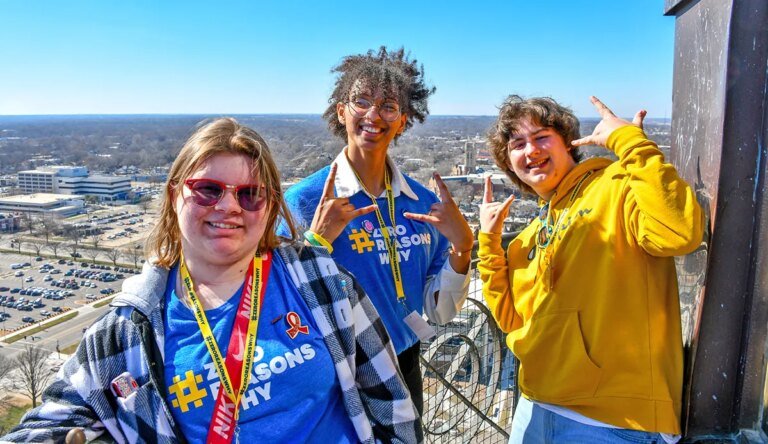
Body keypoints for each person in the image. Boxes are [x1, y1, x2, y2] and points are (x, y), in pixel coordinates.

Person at [2, 118, 421, 444]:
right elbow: (51, 422)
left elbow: (392, 404)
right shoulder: (128, 331)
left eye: (249, 194)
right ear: (174, 195)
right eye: (207, 190)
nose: (228, 206)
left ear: (270, 204)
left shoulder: (323, 281)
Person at [478, 95, 704, 443]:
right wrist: (489, 242)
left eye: (541, 137)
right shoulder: (528, 237)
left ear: (569, 143)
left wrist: (629, 142)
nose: (530, 150)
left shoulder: (616, 186)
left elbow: (679, 233)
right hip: (535, 404)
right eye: (518, 144)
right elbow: (511, 321)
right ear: (509, 163)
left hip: (614, 419)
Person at [280, 47, 474, 414]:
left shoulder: (422, 203)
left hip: (405, 363)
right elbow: (277, 300)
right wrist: (314, 242)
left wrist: (462, 249)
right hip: (336, 373)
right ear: (341, 111)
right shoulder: (304, 202)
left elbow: (439, 311)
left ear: (402, 120)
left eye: (388, 106)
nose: (374, 115)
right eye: (361, 101)